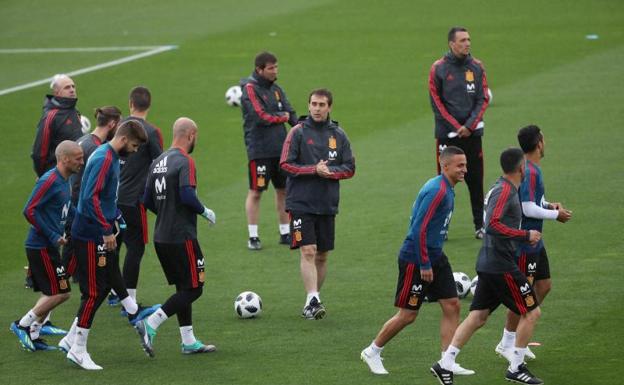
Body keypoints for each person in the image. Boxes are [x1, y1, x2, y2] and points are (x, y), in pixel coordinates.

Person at [431, 148, 544, 385]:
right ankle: (516, 367)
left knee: (478, 315)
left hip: (490, 262)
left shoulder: (501, 187)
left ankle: (445, 363)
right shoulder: (504, 191)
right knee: (531, 311)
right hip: (500, 264)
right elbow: (492, 225)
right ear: (521, 168)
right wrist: (525, 235)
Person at [360, 146, 474, 377]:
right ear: (445, 165)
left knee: (452, 304)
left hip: (435, 255)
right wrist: (424, 263)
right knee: (408, 315)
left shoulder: (447, 188)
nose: (465, 169)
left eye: (465, 165)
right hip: (416, 258)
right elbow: (418, 228)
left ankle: (447, 361)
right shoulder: (438, 191)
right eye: (460, 165)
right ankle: (372, 351)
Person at [65, 120, 158, 370]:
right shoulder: (105, 158)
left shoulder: (112, 157)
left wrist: (117, 217)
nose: (137, 151)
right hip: (90, 233)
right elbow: (89, 197)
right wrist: (106, 229)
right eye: (136, 146)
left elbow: (106, 197)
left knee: (106, 283)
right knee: (94, 292)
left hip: (99, 229)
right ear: (125, 139)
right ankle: (78, 349)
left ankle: (71, 339)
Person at [136, 117, 217, 356]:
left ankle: (188, 341)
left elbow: (146, 200)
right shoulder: (185, 161)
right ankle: (150, 323)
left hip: (162, 236)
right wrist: (205, 211)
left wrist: (165, 212)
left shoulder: (157, 161)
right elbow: (187, 195)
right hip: (182, 236)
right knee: (195, 288)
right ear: (191, 135)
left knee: (184, 287)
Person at [494, 125, 572, 361]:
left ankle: (519, 338)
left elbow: (534, 201)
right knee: (522, 294)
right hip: (525, 243)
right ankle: (508, 343)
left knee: (544, 285)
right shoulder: (530, 170)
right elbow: (527, 208)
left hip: (535, 242)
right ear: (539, 143)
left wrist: (549, 206)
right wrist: (554, 215)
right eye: (544, 139)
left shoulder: (533, 169)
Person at [280, 88, 355, 319]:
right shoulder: (297, 132)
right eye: (313, 104)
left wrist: (329, 172)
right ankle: (313, 298)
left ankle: (312, 301)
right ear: (309, 105)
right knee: (309, 250)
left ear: (329, 107)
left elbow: (350, 168)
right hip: (300, 202)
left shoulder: (339, 135)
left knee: (322, 255)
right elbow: (285, 164)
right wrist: (313, 169)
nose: (317, 108)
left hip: (326, 204)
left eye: (322, 104)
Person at [10, 141, 83, 352]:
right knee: (60, 292)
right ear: (65, 159)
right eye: (78, 158)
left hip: (49, 245)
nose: (82, 161)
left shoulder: (65, 180)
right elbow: (29, 210)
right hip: (39, 245)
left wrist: (86, 222)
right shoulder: (49, 180)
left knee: (57, 291)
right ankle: (22, 324)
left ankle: (33, 334)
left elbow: (68, 211)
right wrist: (52, 234)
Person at [429, 26, 490, 239]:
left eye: (469, 40)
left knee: (475, 181)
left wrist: (470, 126)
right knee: (444, 183)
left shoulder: (477, 66)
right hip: (448, 135)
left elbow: (483, 98)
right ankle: (440, 228)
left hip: (472, 135)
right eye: (463, 40)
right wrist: (457, 126)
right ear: (451, 44)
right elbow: (436, 102)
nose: (467, 44)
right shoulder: (438, 68)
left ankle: (480, 226)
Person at [240, 51, 298, 250]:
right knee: (256, 191)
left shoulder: (276, 89)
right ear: (260, 69)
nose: (275, 71)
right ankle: (253, 236)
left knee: (283, 190)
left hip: (281, 149)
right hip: (260, 150)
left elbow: (290, 113)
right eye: (271, 68)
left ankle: (285, 232)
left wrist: (304, 130)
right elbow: (260, 116)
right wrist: (282, 117)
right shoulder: (249, 89)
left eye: (276, 67)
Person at [114, 86, 163, 306]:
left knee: (114, 244)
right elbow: (160, 165)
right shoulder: (151, 132)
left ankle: (114, 293)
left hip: (112, 198)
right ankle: (130, 300)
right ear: (149, 105)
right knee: (136, 247)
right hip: (134, 200)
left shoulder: (119, 128)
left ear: (130, 103)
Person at [64, 106, 122, 278]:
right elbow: (84, 185)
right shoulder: (95, 148)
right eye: (119, 125)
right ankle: (61, 285)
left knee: (72, 245)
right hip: (81, 207)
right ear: (112, 124)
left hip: (74, 203)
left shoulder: (84, 140)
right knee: (73, 247)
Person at [31, 74, 83, 177]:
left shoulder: (74, 111)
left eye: (73, 86)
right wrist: (43, 176)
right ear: (57, 92)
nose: (72, 90)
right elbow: (39, 153)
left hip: (75, 170)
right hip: (59, 175)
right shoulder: (50, 117)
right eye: (67, 87)